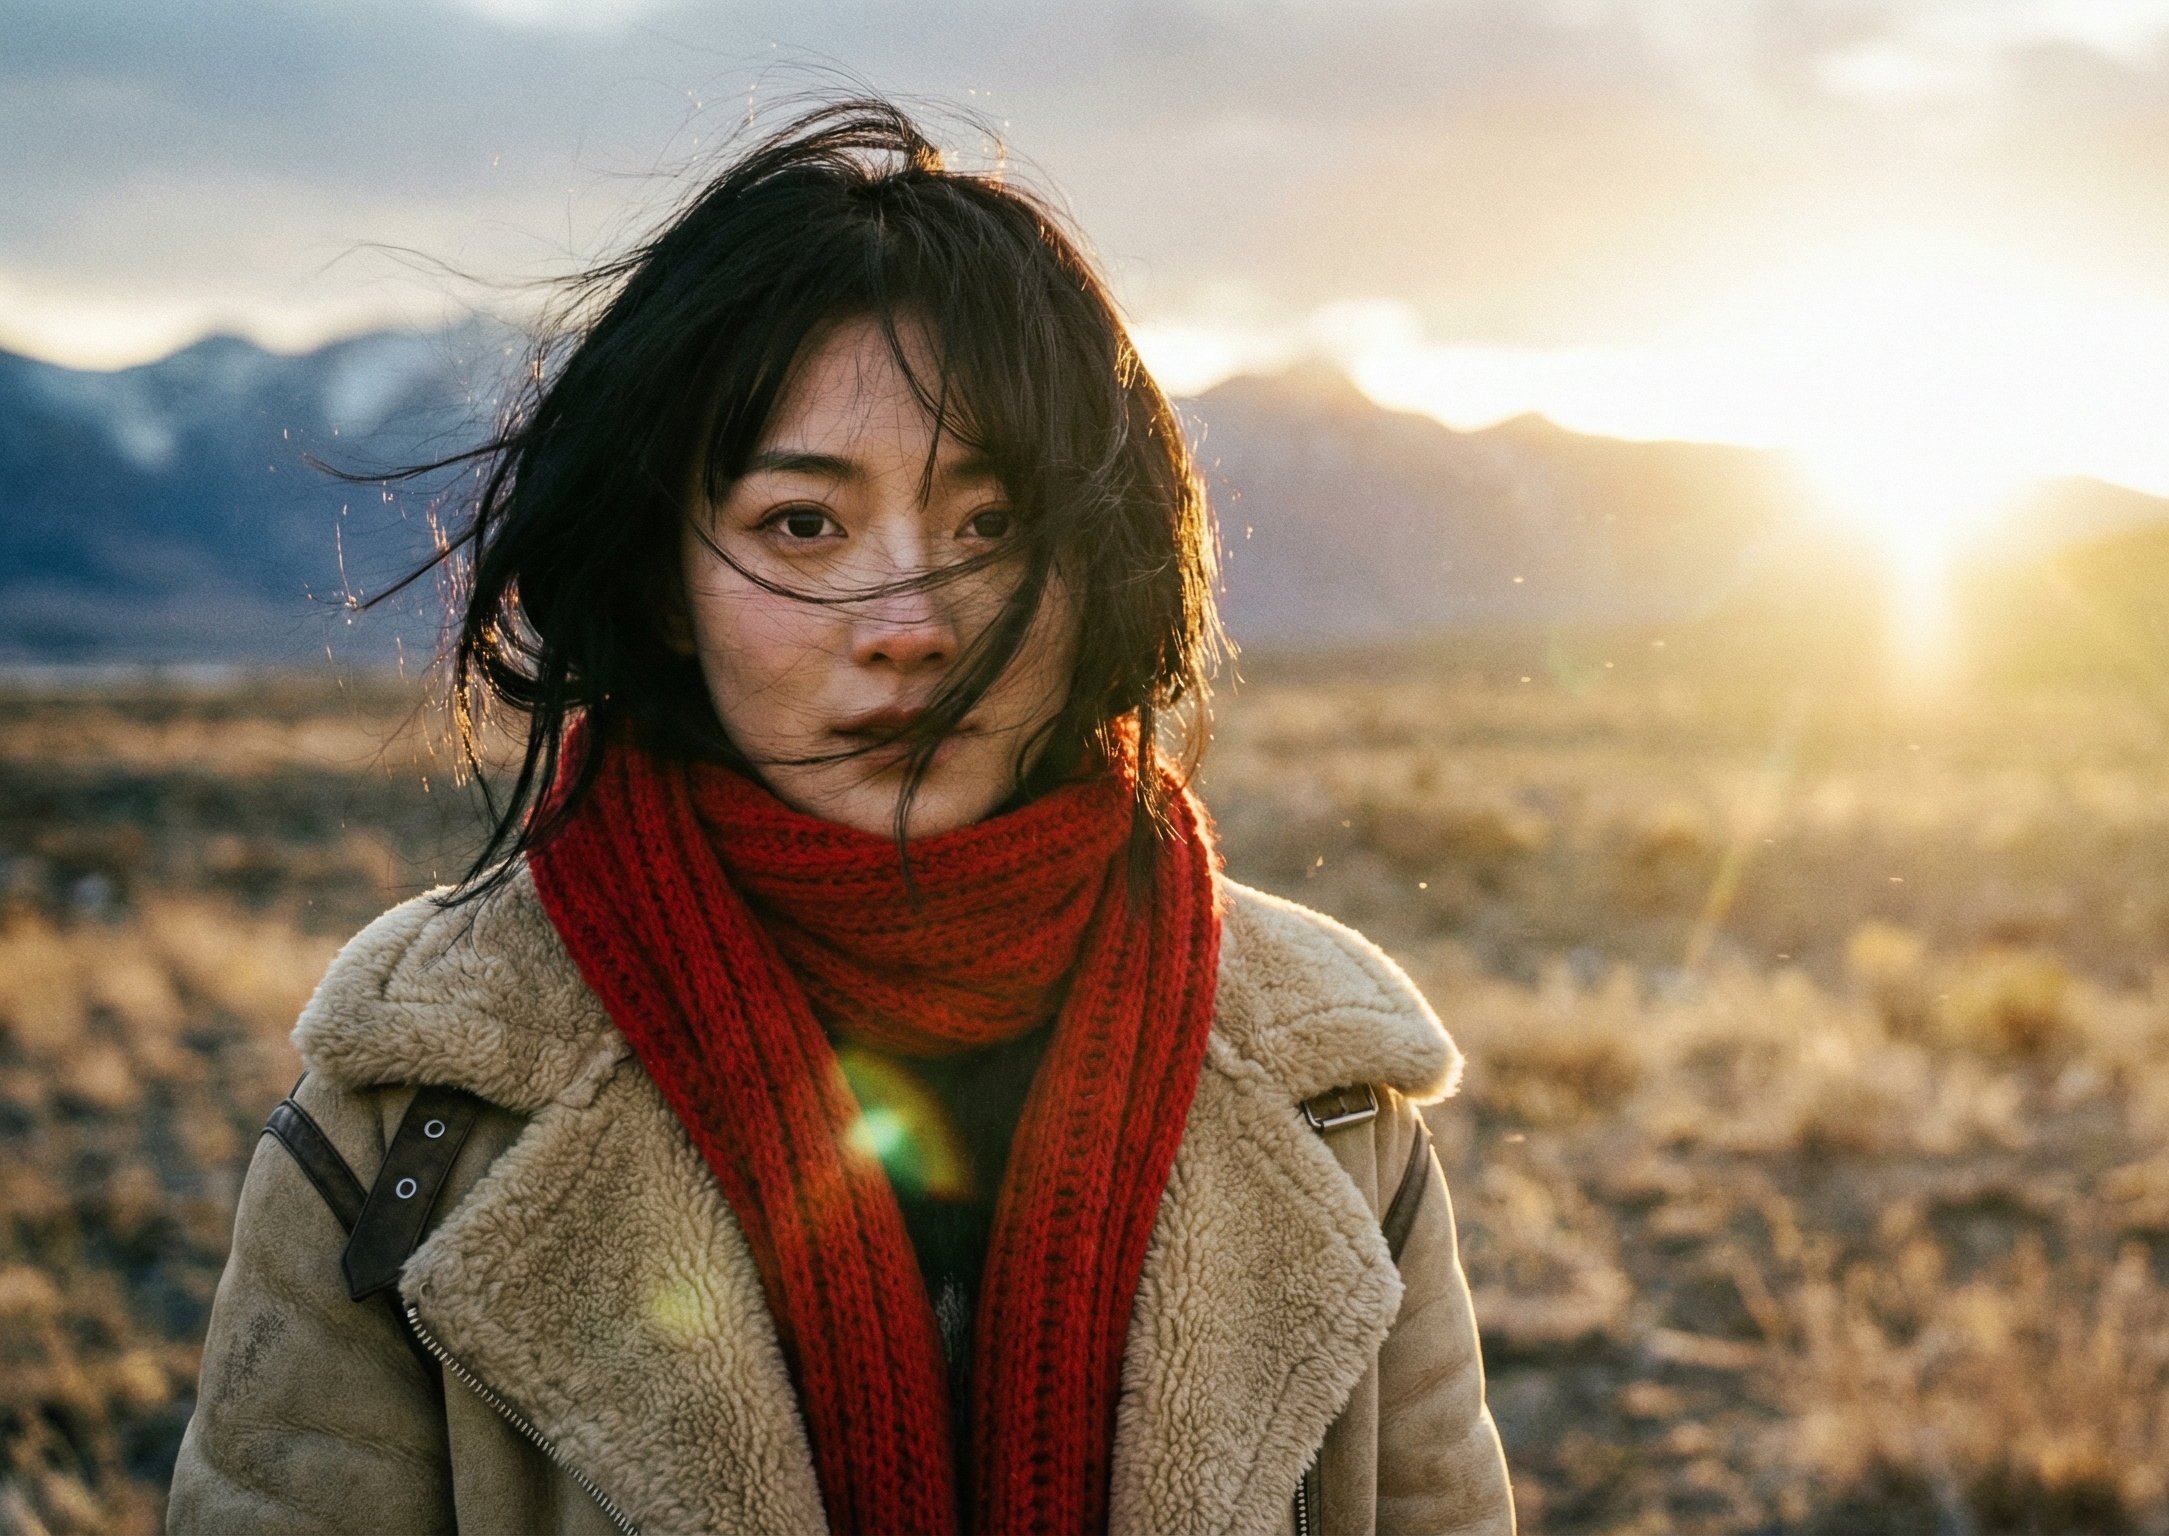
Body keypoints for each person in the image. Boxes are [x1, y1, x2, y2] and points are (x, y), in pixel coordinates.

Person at [169, 100, 1513, 1536]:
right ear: (664, 586)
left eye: (991, 527)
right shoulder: (421, 1109)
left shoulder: (1325, 1086)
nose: (911, 626)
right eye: (803, 527)